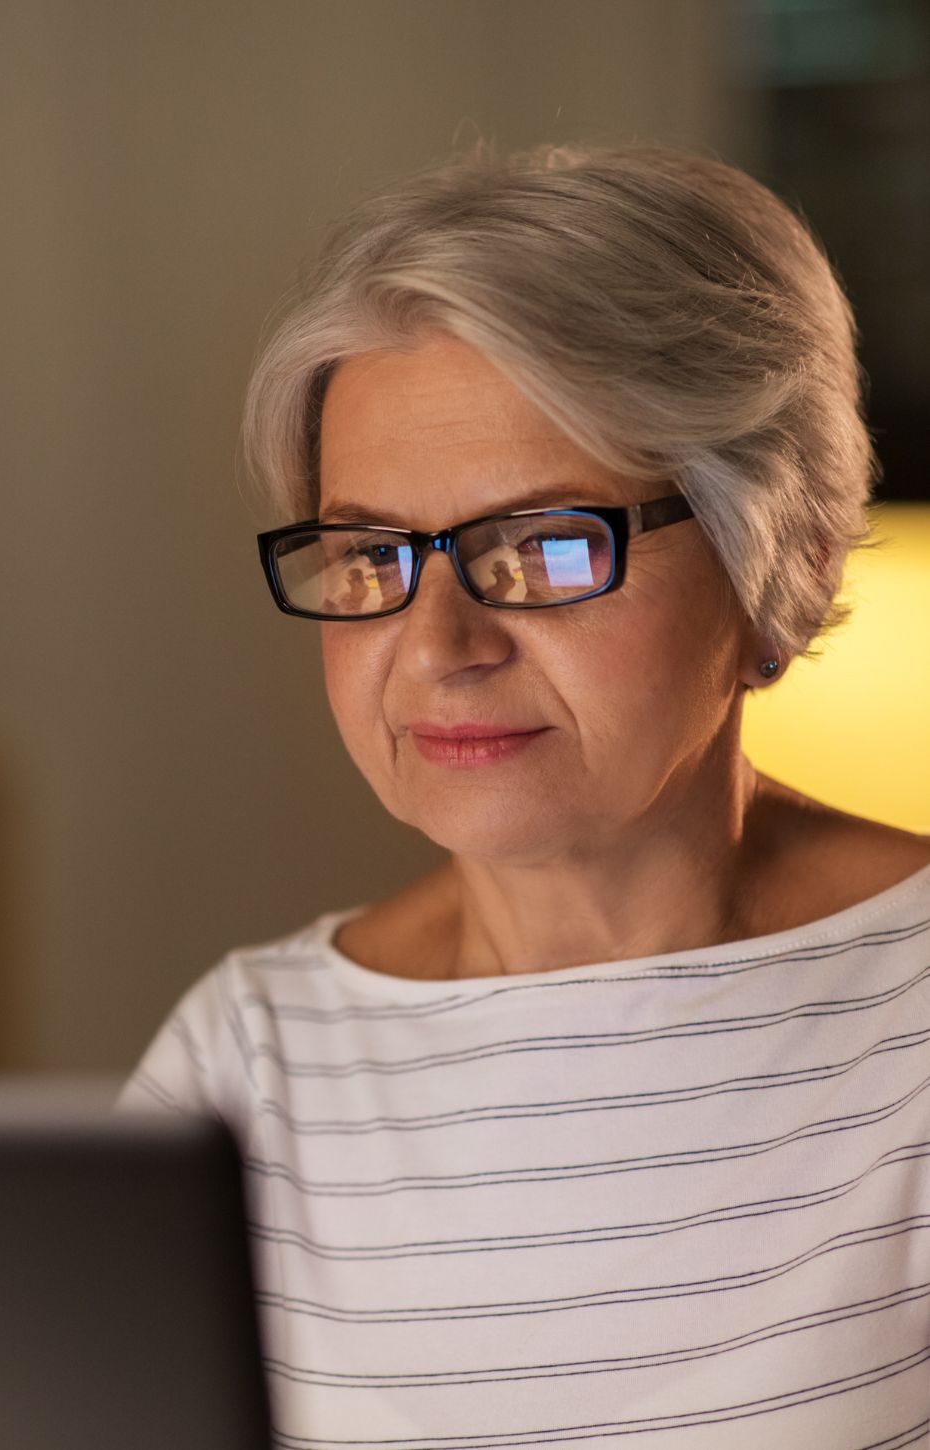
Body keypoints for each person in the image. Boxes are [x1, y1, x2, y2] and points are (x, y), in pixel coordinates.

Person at [120, 142, 930, 1448]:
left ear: (775, 547)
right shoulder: (247, 1056)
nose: (439, 645)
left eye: (546, 545)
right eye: (372, 552)